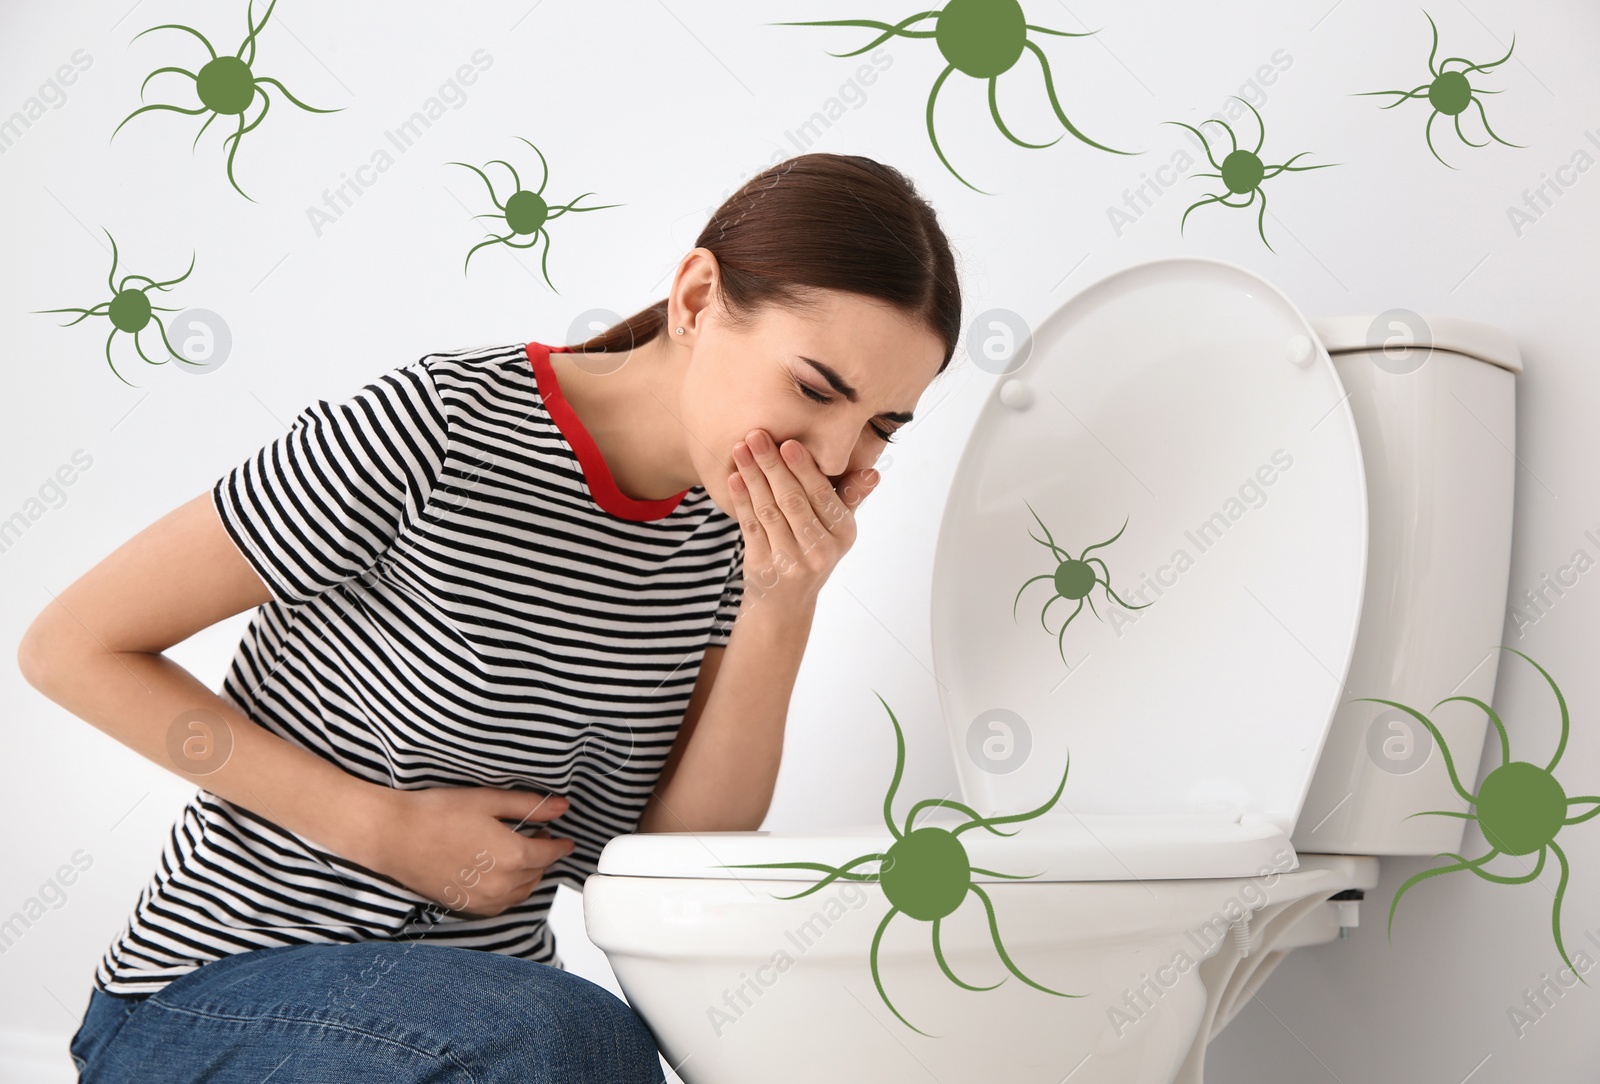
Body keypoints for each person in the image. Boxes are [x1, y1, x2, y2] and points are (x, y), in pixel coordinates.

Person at [18, 151, 962, 1082]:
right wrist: (376, 827)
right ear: (696, 298)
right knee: (577, 1043)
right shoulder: (433, 427)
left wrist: (782, 604)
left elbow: (671, 859)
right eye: (814, 388)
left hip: (464, 1032)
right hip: (211, 999)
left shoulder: (726, 533)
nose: (839, 455)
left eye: (883, 425)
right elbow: (71, 648)